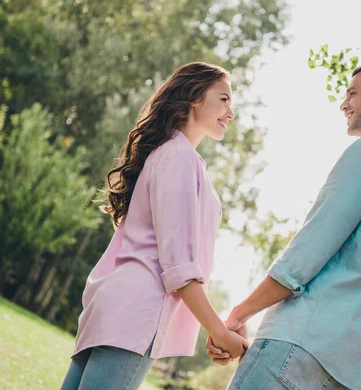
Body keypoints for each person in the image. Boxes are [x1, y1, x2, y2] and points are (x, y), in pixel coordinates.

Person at [207, 60, 361, 390]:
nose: (344, 103)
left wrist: (237, 315)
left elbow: (304, 257)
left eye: (353, 92)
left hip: (302, 350)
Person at [60, 62, 248, 390]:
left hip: (115, 307)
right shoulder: (179, 158)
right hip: (136, 314)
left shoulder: (170, 155)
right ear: (194, 97)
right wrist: (217, 331)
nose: (230, 112)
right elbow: (178, 267)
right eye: (223, 99)